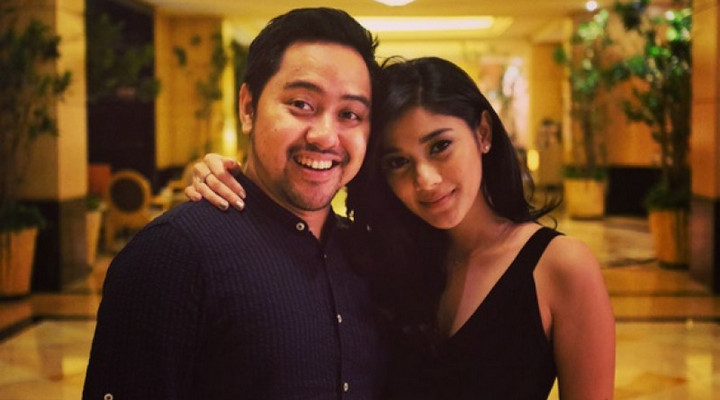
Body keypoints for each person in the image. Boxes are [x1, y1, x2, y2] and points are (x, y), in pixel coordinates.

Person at [188, 57, 616, 399]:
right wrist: (222, 173)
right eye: (398, 162)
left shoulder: (559, 267)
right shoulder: (377, 257)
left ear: (483, 133)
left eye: (440, 146)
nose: (425, 180)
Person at [83, 8, 387, 400]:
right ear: (248, 107)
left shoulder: (367, 255)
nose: (325, 136)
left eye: (350, 114)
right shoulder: (173, 254)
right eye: (301, 104)